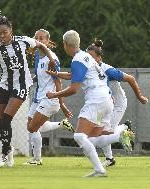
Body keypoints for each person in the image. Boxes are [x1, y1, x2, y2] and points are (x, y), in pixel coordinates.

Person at [0, 15, 56, 168]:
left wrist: (51, 59)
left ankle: (4, 153)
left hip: (21, 85)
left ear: (11, 31)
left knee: (5, 120)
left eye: (4, 32)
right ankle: (9, 148)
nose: (2, 35)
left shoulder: (22, 40)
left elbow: (41, 46)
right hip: (4, 85)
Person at [46, 30, 115, 177]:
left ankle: (120, 135)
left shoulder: (78, 59)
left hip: (96, 99)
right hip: (106, 98)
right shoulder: (85, 56)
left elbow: (73, 89)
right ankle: (101, 167)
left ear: (65, 45)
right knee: (91, 139)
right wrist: (57, 74)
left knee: (79, 136)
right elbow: (74, 76)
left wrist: (54, 94)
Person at [85, 39, 148, 166]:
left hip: (117, 105)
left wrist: (140, 96)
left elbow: (130, 78)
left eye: (91, 57)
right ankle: (109, 158)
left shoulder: (107, 69)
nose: (88, 60)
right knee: (101, 132)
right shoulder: (89, 69)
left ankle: (124, 128)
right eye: (87, 57)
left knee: (104, 132)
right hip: (104, 104)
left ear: (99, 57)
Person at [25, 29, 74, 165]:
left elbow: (58, 81)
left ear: (47, 41)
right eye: (37, 38)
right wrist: (29, 82)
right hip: (38, 97)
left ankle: (37, 159)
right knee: (32, 126)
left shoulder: (51, 59)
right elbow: (41, 77)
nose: (39, 41)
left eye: (42, 38)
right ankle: (60, 124)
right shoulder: (37, 56)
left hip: (50, 98)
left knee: (33, 128)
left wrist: (62, 103)